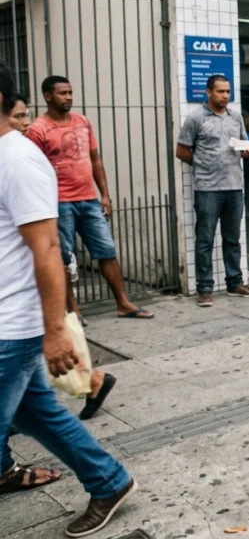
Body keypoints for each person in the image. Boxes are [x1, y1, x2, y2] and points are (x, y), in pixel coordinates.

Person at [0, 64, 138, 537]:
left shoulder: (17, 157)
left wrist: (57, 328)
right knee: (35, 412)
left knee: (29, 413)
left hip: (12, 325)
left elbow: (48, 248)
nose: (69, 95)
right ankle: (108, 480)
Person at [11, 92, 115, 418]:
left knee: (35, 345)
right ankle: (91, 380)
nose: (24, 123)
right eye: (18, 117)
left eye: (23, 116)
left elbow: (47, 245)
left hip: (24, 268)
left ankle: (90, 380)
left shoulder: (22, 157)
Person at [26, 77, 153, 320]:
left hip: (88, 199)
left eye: (70, 92)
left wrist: (104, 194)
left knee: (106, 250)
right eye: (62, 93)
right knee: (65, 258)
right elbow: (34, 168)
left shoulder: (82, 122)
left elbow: (95, 159)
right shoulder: (38, 129)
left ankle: (123, 303)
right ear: (47, 96)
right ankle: (73, 311)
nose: (68, 97)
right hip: (58, 202)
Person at [176, 75, 249, 307]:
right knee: (205, 239)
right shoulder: (196, 118)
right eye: (220, 91)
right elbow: (182, 151)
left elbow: (246, 145)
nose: (225, 96)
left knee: (232, 238)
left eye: (227, 92)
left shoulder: (236, 117)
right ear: (208, 92)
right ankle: (204, 289)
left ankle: (235, 282)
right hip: (208, 189)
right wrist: (203, 164)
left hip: (234, 187)